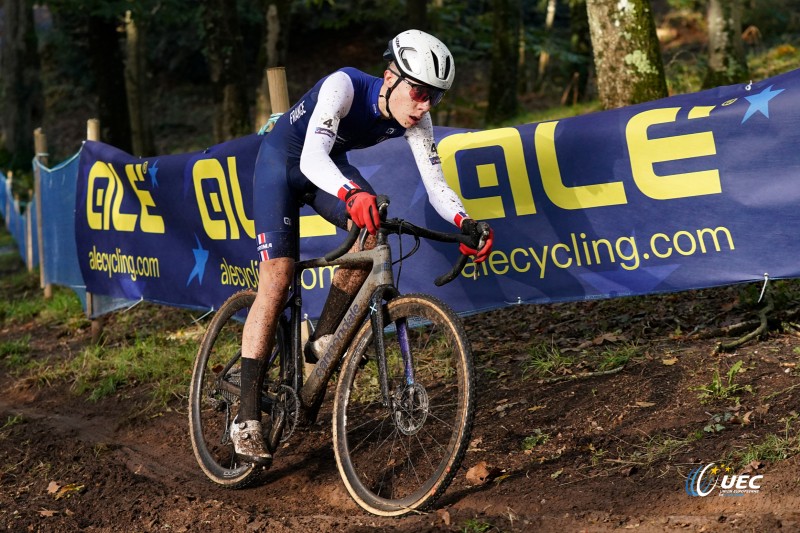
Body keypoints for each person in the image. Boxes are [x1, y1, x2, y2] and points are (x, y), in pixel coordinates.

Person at [231, 29, 495, 465]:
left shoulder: (417, 118)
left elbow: (436, 184)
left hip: (328, 169)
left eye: (435, 97)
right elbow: (311, 158)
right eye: (419, 92)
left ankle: (322, 339)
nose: (424, 105)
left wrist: (465, 222)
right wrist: (351, 195)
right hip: (283, 166)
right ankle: (245, 419)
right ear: (391, 77)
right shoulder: (344, 86)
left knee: (373, 230)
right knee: (277, 280)